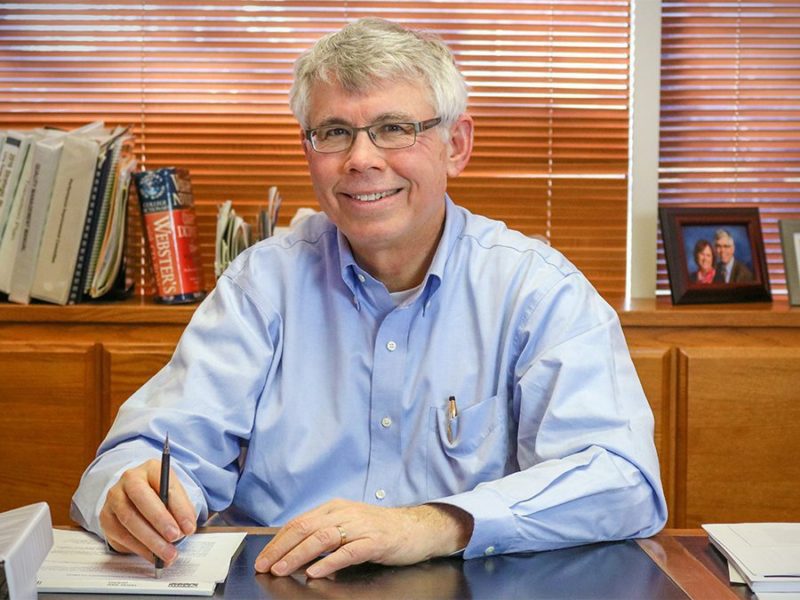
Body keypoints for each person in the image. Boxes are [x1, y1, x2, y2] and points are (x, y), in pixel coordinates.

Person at [70, 18, 667, 580]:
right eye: (334, 133)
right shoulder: (263, 285)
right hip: (279, 584)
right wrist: (133, 492)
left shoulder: (537, 290)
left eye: (394, 128)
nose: (361, 159)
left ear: (456, 145)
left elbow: (622, 480)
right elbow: (141, 453)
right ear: (309, 151)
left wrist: (434, 523)